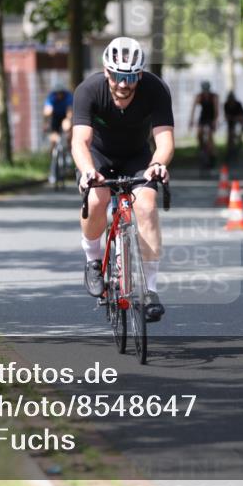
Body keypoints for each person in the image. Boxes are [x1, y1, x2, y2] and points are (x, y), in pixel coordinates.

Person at [72, 37, 174, 322]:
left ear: (139, 75)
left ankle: (150, 291)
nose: (123, 84)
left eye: (129, 77)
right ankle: (93, 259)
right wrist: (88, 171)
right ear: (107, 72)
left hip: (138, 156)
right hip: (98, 156)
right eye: (117, 76)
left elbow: (164, 140)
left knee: (147, 204)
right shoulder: (89, 90)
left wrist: (157, 164)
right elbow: (80, 140)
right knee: (97, 199)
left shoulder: (155, 89)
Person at [189, 81, 219, 166]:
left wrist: (215, 121)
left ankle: (212, 154)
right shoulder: (199, 96)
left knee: (210, 136)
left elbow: (216, 110)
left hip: (211, 118)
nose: (205, 92)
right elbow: (193, 109)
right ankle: (202, 148)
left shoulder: (214, 97)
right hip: (203, 118)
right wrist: (191, 120)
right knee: (199, 133)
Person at [43, 84, 73, 153]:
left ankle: (69, 150)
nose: (59, 95)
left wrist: (68, 121)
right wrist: (45, 123)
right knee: (54, 135)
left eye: (61, 93)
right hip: (55, 116)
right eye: (57, 93)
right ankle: (53, 153)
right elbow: (47, 111)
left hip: (65, 115)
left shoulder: (68, 97)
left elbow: (70, 111)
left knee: (67, 128)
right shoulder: (51, 97)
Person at [223, 91, 243, 159]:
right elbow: (226, 115)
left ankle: (240, 140)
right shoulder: (226, 104)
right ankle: (229, 151)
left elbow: (242, 115)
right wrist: (228, 118)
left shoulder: (238, 104)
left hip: (238, 120)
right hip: (231, 122)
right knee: (229, 136)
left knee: (239, 131)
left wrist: (238, 119)